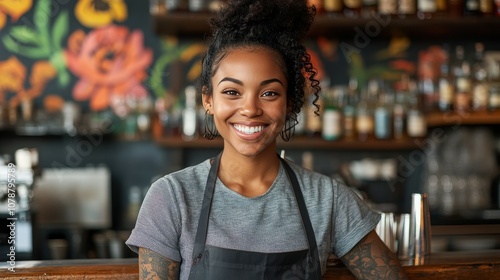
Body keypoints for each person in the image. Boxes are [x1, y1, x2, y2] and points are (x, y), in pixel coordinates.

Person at [126, 0, 408, 279]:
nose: (250, 109)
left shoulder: (328, 200)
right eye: (232, 92)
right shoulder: (172, 198)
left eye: (269, 93)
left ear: (289, 104)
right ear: (208, 101)